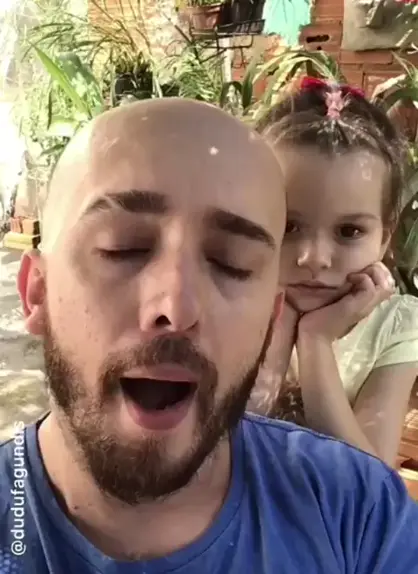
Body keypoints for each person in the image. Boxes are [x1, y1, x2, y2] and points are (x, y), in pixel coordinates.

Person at [0, 98, 417, 574]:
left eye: (231, 263)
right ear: (37, 292)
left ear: (270, 315)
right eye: (123, 249)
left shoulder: (360, 516)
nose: (177, 309)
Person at [249, 76, 418, 467]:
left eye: (349, 231)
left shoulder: (395, 326)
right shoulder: (230, 302)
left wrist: (315, 341)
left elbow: (369, 481)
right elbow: (217, 447)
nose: (315, 259)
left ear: (384, 238)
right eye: (289, 226)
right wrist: (279, 335)